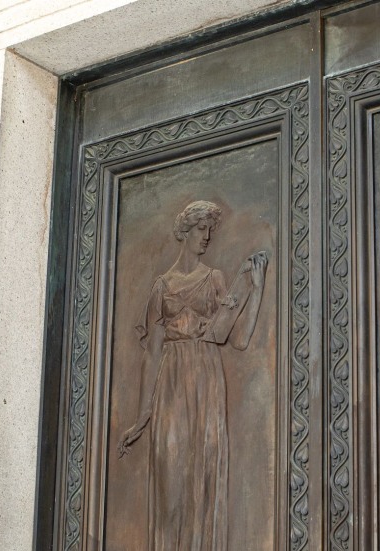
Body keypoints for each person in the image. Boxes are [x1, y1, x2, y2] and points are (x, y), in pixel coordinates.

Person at [118, 200, 267, 551]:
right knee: (170, 482)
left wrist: (255, 289)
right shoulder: (161, 287)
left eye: (211, 230)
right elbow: (152, 353)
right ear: (184, 231)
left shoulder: (215, 280)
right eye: (202, 229)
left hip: (204, 379)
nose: (208, 237)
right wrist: (143, 415)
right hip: (170, 382)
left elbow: (238, 338)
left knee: (201, 477)